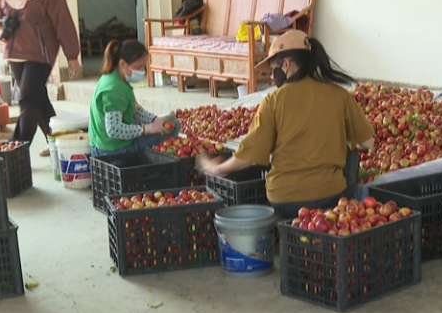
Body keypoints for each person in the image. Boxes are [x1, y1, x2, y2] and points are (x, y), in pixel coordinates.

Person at [198, 31, 375, 218]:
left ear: (287, 64)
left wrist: (217, 169)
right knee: (353, 151)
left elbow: (249, 156)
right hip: (331, 197)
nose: (272, 77)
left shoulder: (273, 101)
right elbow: (368, 143)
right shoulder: (340, 95)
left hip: (284, 201)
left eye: (273, 69)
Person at [0, 0, 82, 154]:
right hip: (14, 53)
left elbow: (63, 21)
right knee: (38, 99)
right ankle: (58, 143)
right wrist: (1, 22)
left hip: (41, 54)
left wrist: (72, 55)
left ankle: (16, 150)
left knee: (28, 100)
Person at [88, 39, 180, 156]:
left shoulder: (115, 78)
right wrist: (147, 129)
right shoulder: (114, 89)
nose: (142, 71)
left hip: (106, 145)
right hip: (113, 151)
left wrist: (154, 120)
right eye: (138, 67)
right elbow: (114, 129)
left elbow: (135, 110)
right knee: (173, 125)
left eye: (143, 67)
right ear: (122, 64)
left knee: (170, 120)